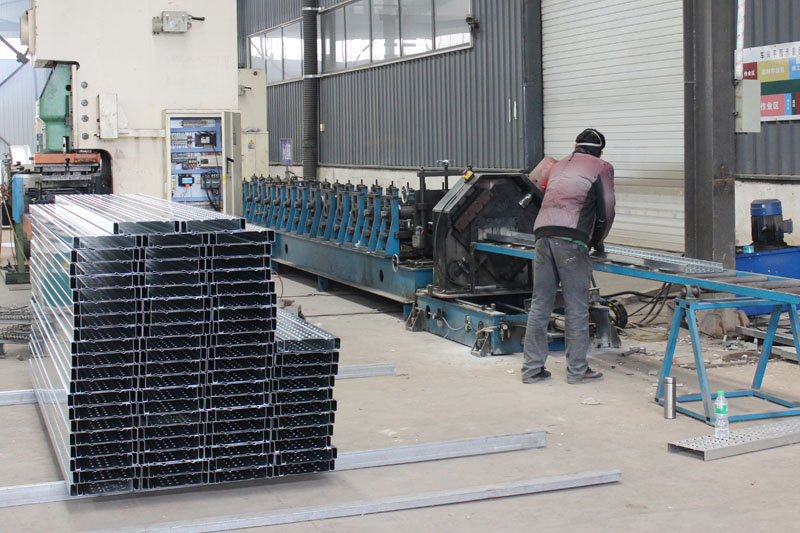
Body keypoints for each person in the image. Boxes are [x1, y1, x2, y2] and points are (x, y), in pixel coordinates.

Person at [521, 128, 615, 384]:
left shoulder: (559, 165)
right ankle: (577, 370)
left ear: (575, 147)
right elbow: (606, 210)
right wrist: (597, 241)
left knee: (540, 304)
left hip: (542, 235)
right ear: (600, 152)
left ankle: (532, 369)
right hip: (572, 240)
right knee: (576, 307)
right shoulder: (602, 167)